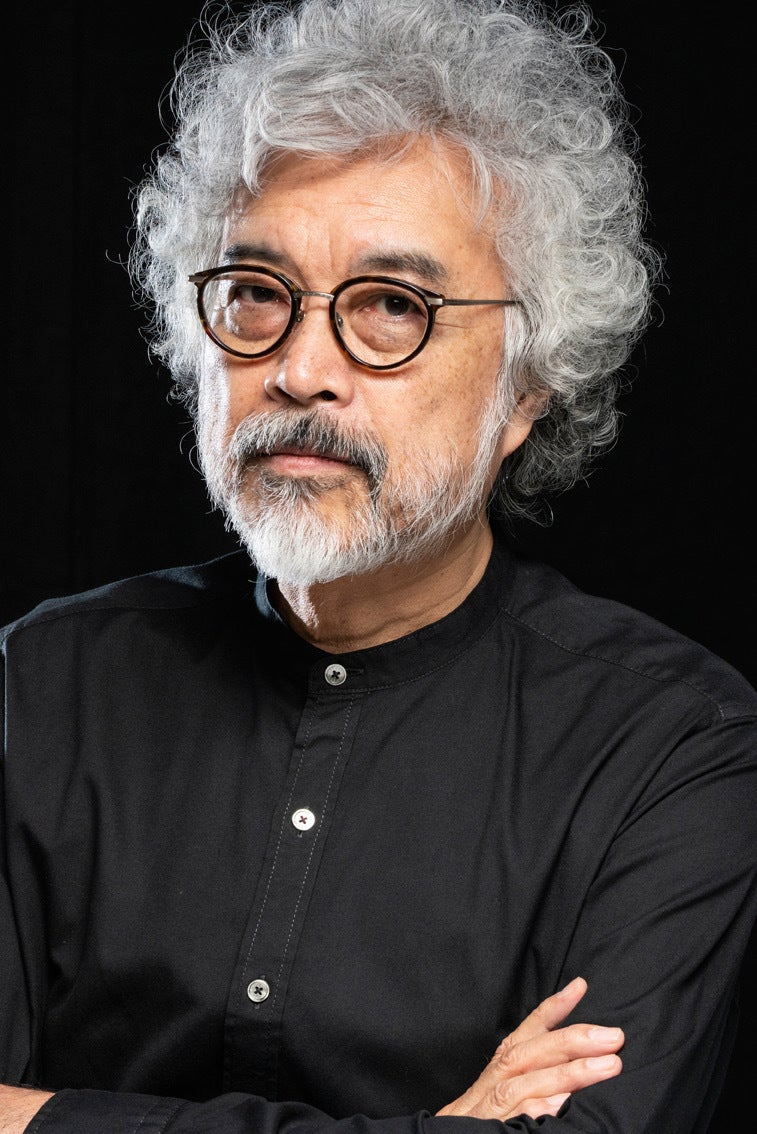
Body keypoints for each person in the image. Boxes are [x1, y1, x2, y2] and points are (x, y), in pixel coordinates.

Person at [1, 0, 755, 1130]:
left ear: (527, 386)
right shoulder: (41, 686)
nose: (301, 368)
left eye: (392, 306)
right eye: (256, 292)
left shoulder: (670, 747)